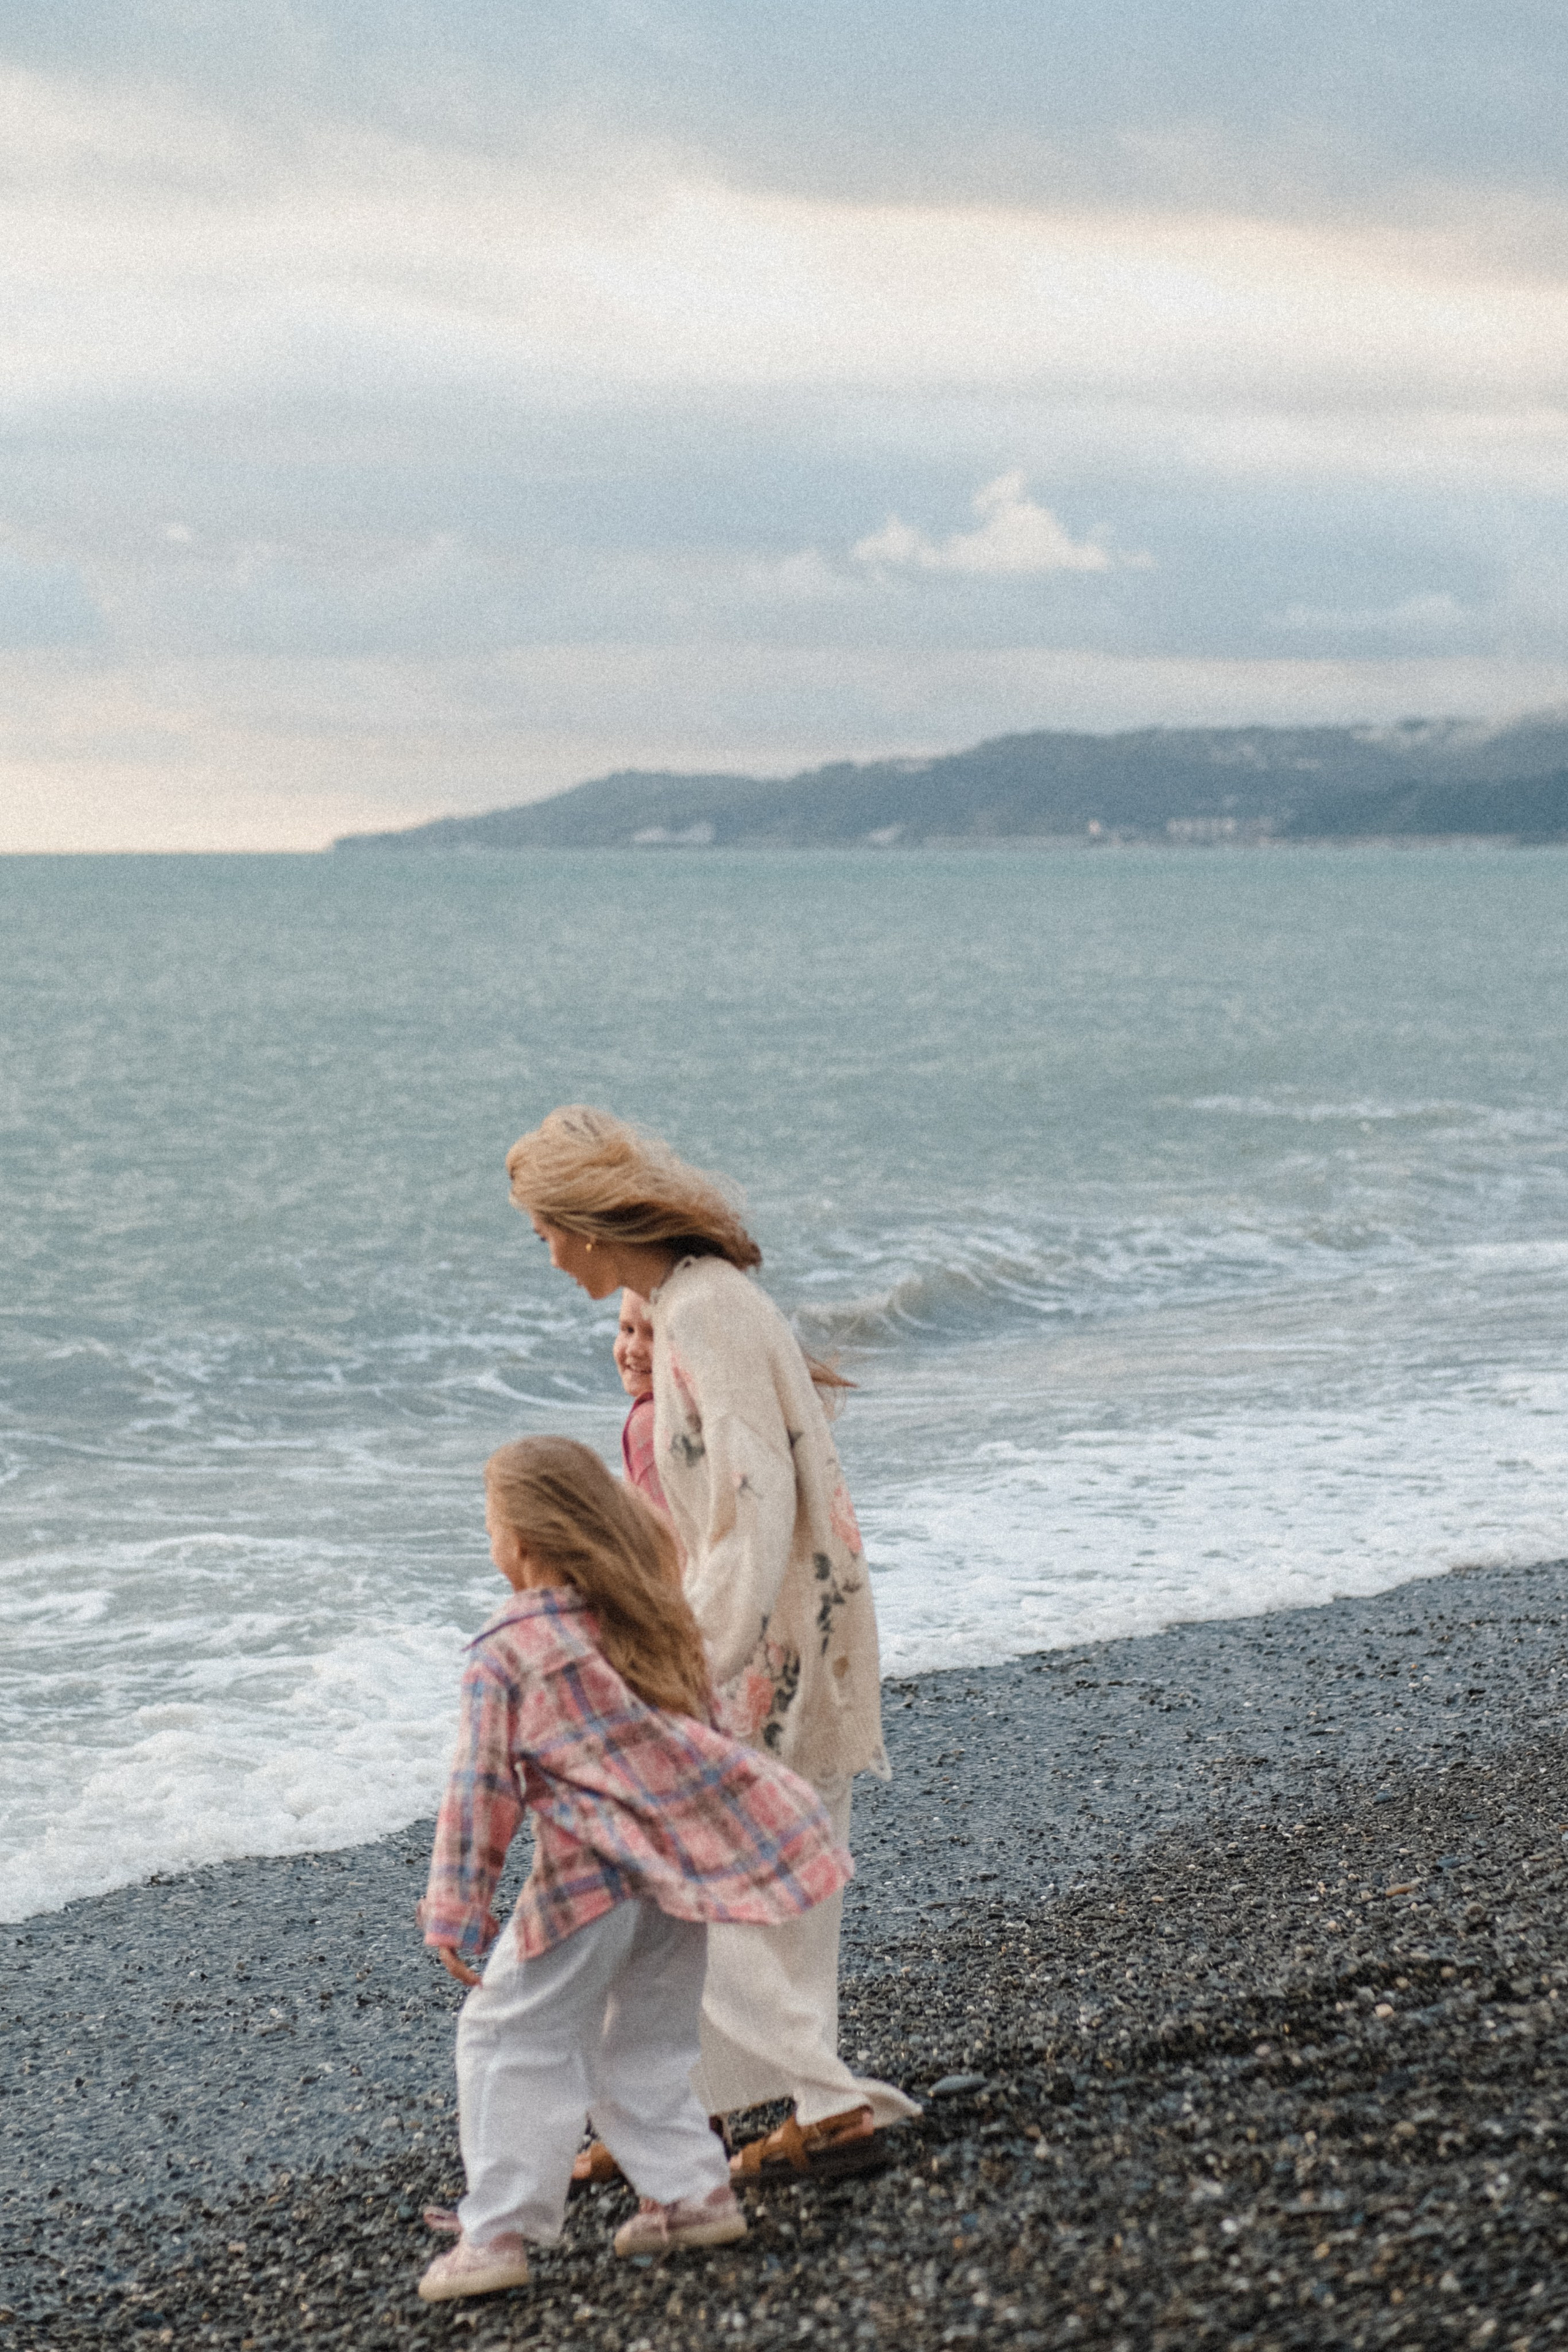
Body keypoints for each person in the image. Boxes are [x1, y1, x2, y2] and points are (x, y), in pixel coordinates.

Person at [505, 1104, 921, 2182]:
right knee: (781, 1883)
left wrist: (691, 1656)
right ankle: (696, 2116)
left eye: (545, 1233)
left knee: (693, 1876)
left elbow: (751, 1498)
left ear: (587, 1225)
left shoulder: (704, 1314)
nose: (547, 1258)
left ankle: (823, 2104)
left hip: (766, 1648)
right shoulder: (694, 1301)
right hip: (795, 1634)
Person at [415, 1433, 853, 2303]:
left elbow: (481, 1793)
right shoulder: (651, 1619)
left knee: (507, 2037)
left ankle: (496, 2232)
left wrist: (458, 1913)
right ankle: (693, 2195)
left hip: (583, 1889)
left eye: (491, 1522)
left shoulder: (506, 1647)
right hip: (670, 1888)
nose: (490, 1538)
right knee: (642, 2048)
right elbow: (701, 1745)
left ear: (526, 1541)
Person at [613, 1287, 665, 1512]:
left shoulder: (650, 1422)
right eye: (628, 1329)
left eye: (654, 1334)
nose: (634, 1349)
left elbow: (665, 1542)